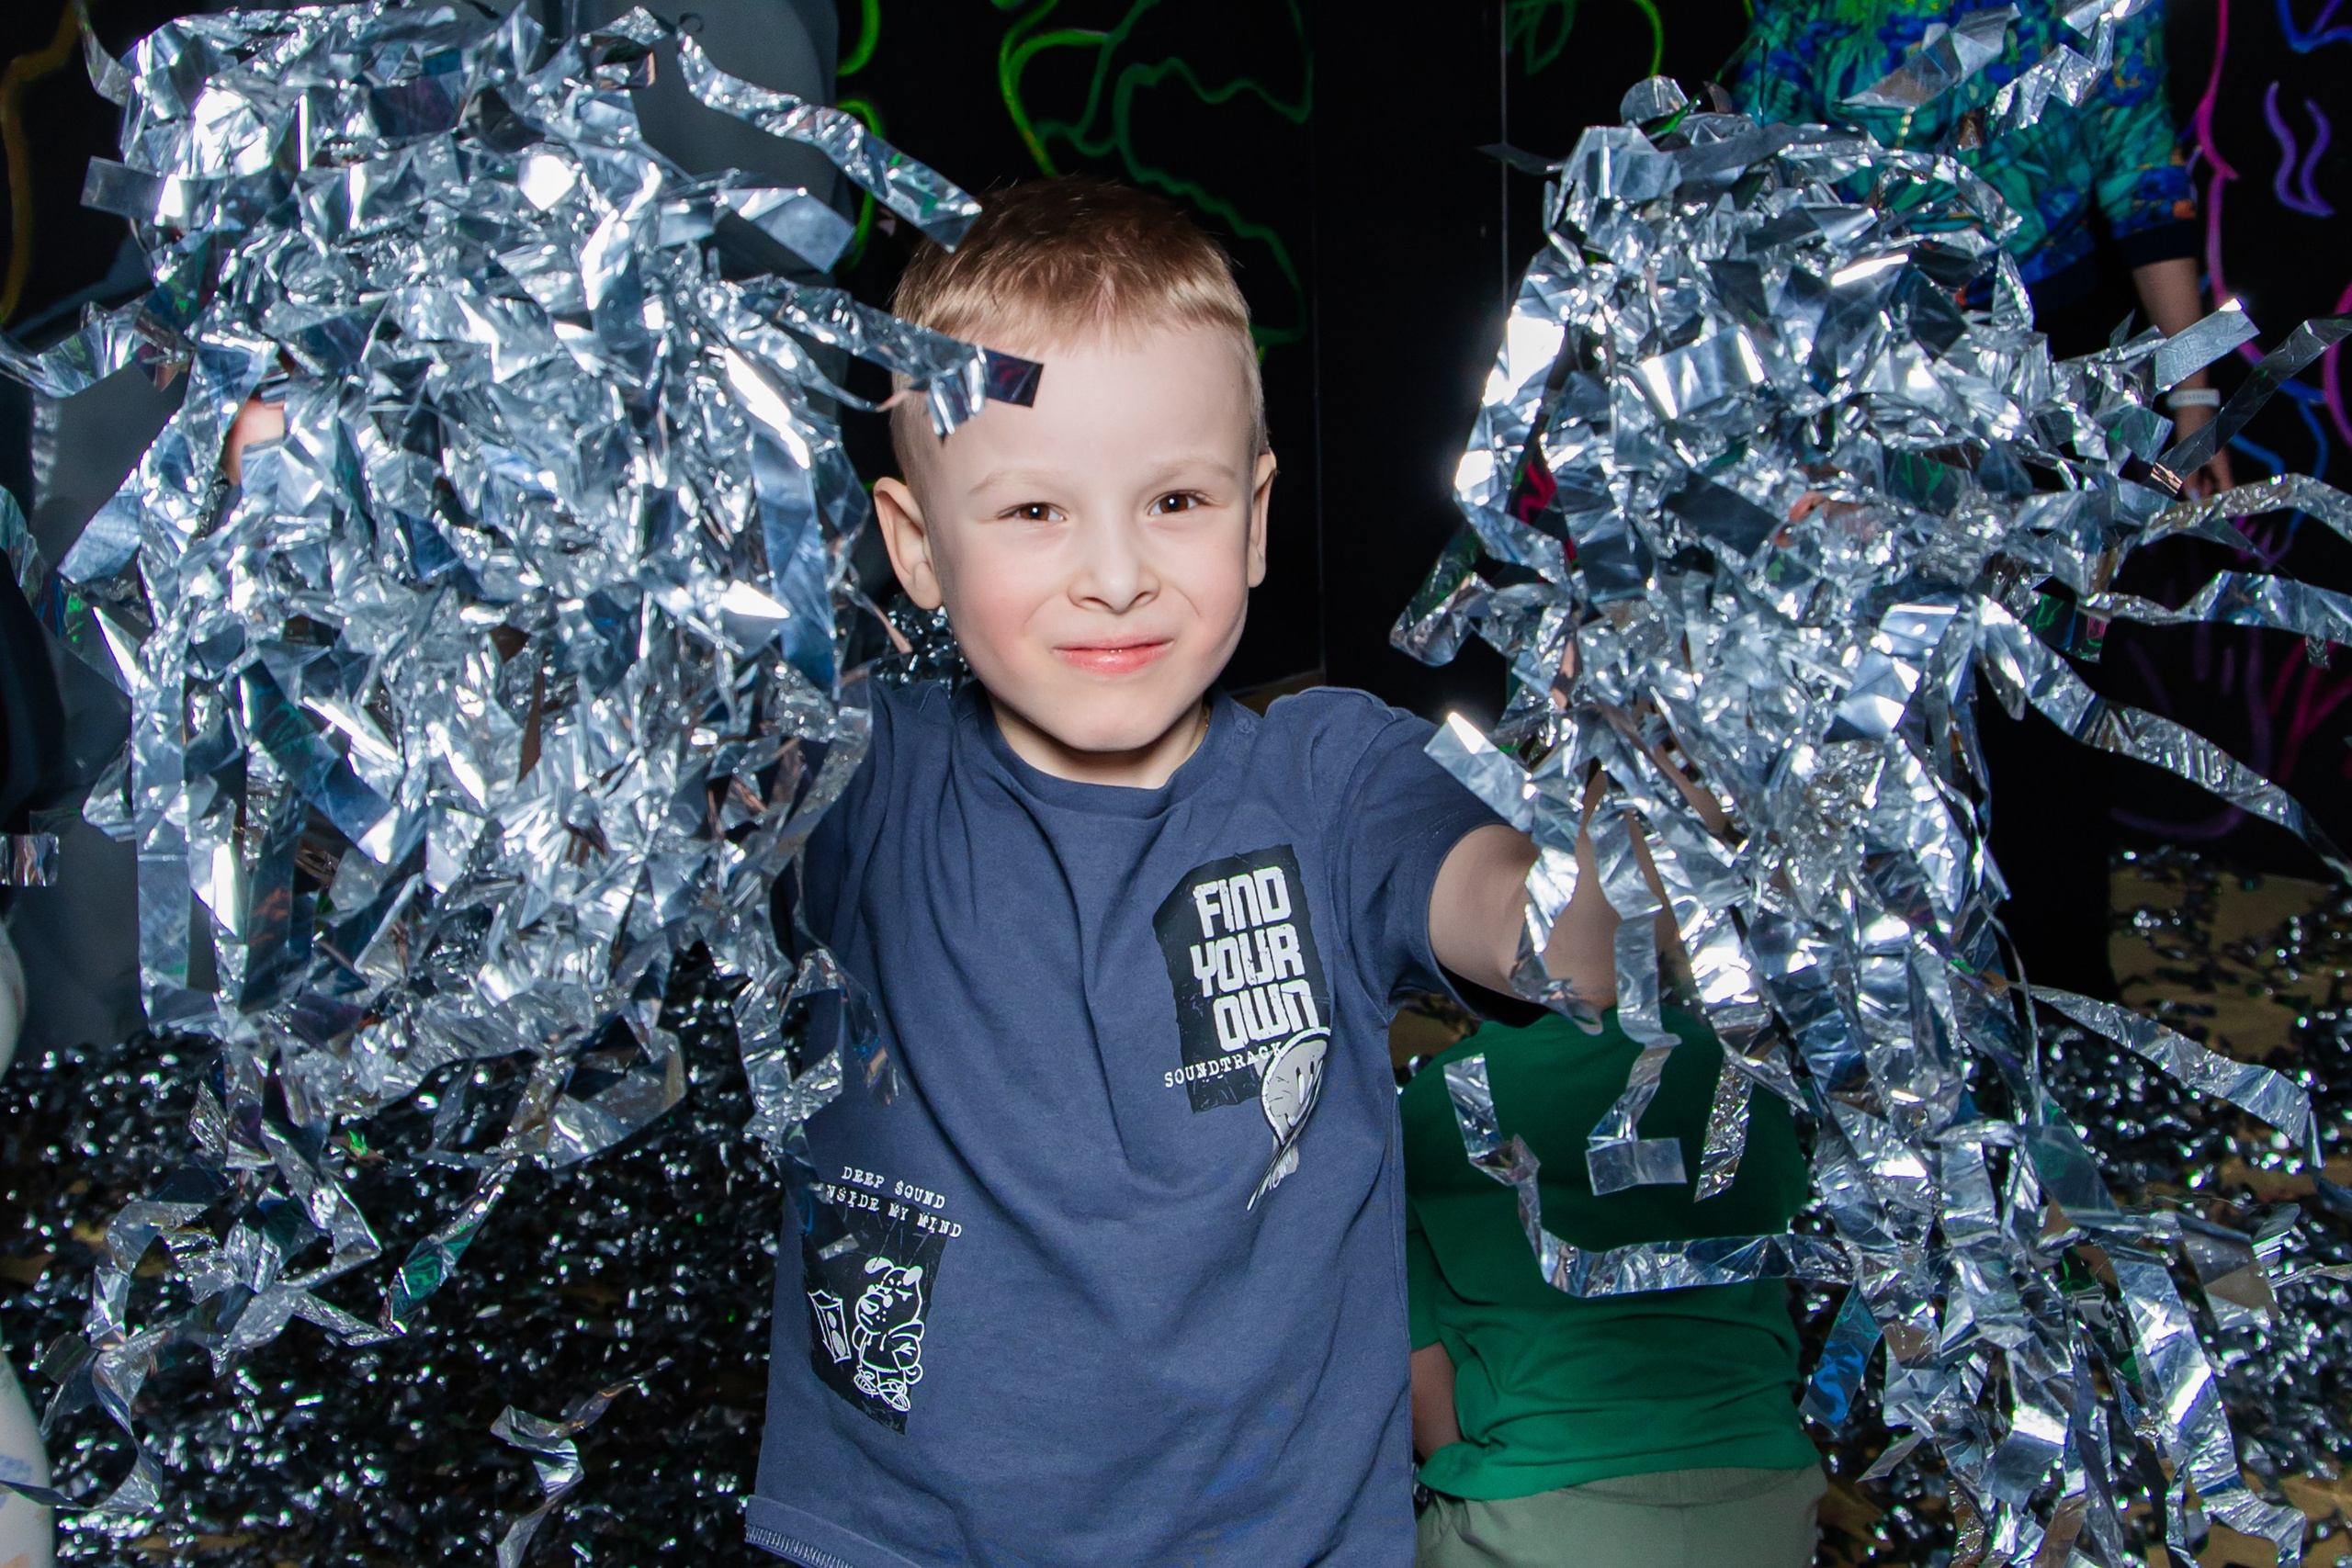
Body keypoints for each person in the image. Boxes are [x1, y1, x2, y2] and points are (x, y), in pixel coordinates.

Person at [732, 177, 1634, 1568]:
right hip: (898, 1542)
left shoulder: (1327, 779)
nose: (1114, 573)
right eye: (1033, 508)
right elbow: (581, 749)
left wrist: (1653, 722)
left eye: (1174, 498)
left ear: (1255, 517)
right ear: (918, 546)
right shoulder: (859, 775)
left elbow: (1551, 946)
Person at [1734, 0, 2221, 1004]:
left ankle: (2055, 987)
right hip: (1854, 363)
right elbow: (1758, 159)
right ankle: (1867, 992)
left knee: (2037, 688)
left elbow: (2140, 168)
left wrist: (2196, 393)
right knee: (1862, 686)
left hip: (2044, 373)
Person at [1401, 1006, 1819, 1568]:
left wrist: (1488, 1475)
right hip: (1762, 1498)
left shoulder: (1436, 1099)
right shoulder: (1739, 1070)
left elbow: (1410, 1345)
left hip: (1530, 1511)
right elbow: (1775, 1223)